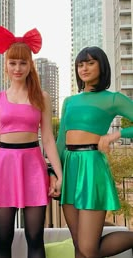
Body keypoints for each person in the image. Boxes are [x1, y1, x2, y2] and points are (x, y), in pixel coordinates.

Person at [0, 26, 63, 258]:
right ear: (6, 65)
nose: (17, 68)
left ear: (29, 65)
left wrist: (59, 175)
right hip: (3, 166)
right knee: (3, 242)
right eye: (13, 62)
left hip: (33, 166)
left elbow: (49, 140)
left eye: (23, 63)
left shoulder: (41, 97)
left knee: (36, 240)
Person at [56, 46, 133, 258]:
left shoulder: (113, 99)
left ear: (102, 65)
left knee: (89, 249)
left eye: (90, 63)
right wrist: (55, 174)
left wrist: (115, 135)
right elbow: (61, 140)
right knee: (80, 247)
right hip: (69, 168)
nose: (84, 68)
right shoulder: (69, 101)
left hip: (92, 167)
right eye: (80, 64)